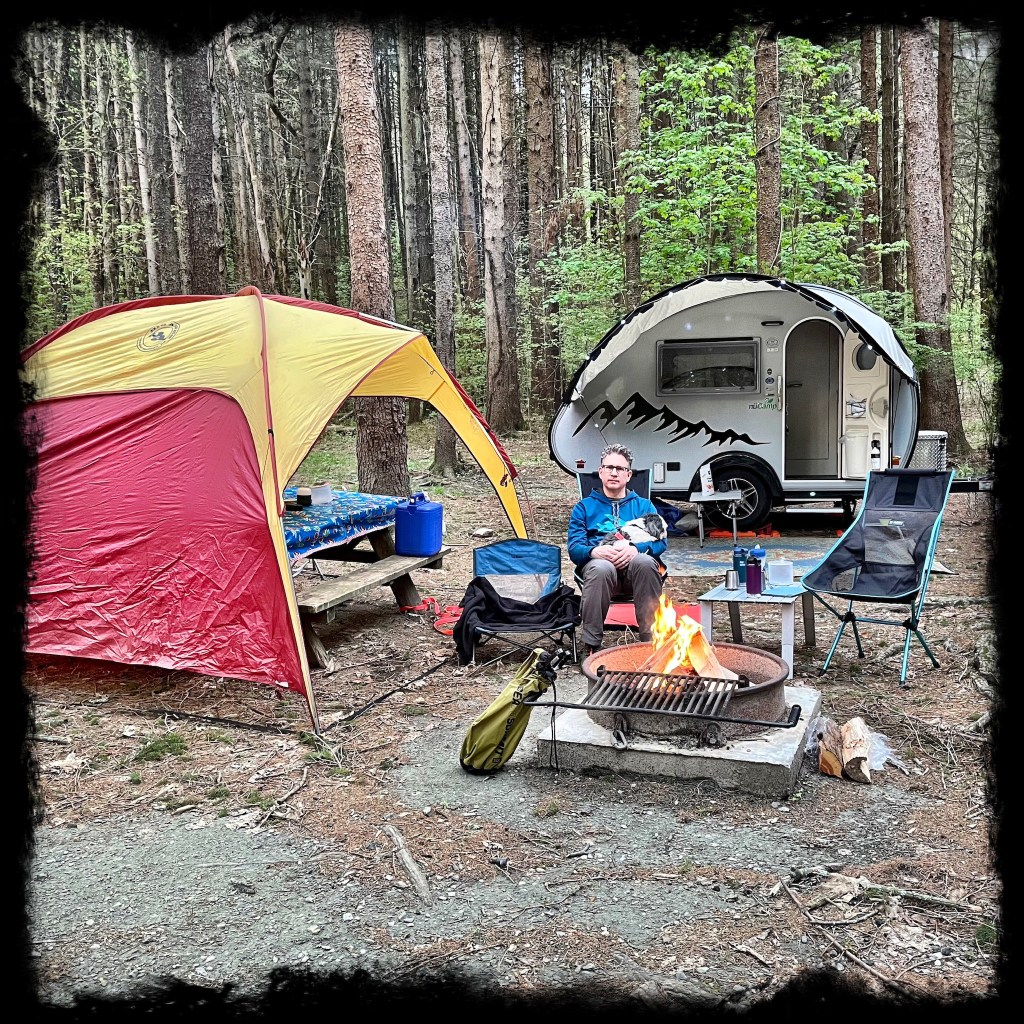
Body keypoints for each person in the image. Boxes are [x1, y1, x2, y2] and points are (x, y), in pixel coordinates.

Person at [567, 443, 668, 654]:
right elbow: (575, 548)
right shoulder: (584, 507)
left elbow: (661, 543)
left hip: (637, 575)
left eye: (620, 468)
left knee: (645, 562)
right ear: (601, 472)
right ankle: (591, 645)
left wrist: (636, 549)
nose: (614, 473)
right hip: (601, 576)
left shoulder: (644, 506)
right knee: (601, 567)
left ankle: (651, 644)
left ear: (628, 474)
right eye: (609, 467)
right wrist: (594, 552)